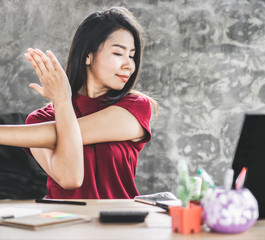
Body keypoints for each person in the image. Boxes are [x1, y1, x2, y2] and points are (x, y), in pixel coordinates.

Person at [0, 6, 158, 199]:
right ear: (87, 56)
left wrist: (62, 100)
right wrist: (63, 102)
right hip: (62, 223)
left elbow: (62, 133)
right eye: (118, 53)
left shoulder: (135, 107)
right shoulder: (40, 119)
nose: (129, 65)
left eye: (132, 56)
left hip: (118, 223)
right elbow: (70, 179)